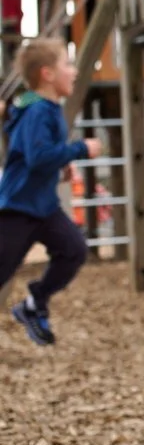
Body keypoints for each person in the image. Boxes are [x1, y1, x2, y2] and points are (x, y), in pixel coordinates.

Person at [0, 37, 102, 345]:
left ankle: (34, 304)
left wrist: (61, 164)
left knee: (74, 250)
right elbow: (37, 156)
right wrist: (80, 149)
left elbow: (39, 151)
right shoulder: (38, 112)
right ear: (47, 74)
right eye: (67, 64)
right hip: (18, 209)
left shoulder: (45, 107)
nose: (74, 71)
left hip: (43, 207)